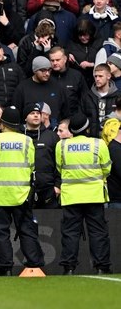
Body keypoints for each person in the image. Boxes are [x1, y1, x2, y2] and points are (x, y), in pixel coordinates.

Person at [0, 106, 45, 277]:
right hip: (22, 194)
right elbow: (32, 166)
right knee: (26, 229)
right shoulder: (27, 141)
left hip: (0, 195)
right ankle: (35, 265)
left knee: (1, 233)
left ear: (2, 123)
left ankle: (5, 267)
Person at [56, 113, 112, 275]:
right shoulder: (98, 144)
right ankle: (101, 266)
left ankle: (69, 267)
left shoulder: (62, 146)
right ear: (87, 128)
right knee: (98, 232)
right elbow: (107, 168)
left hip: (71, 196)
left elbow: (60, 168)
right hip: (94, 195)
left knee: (70, 233)